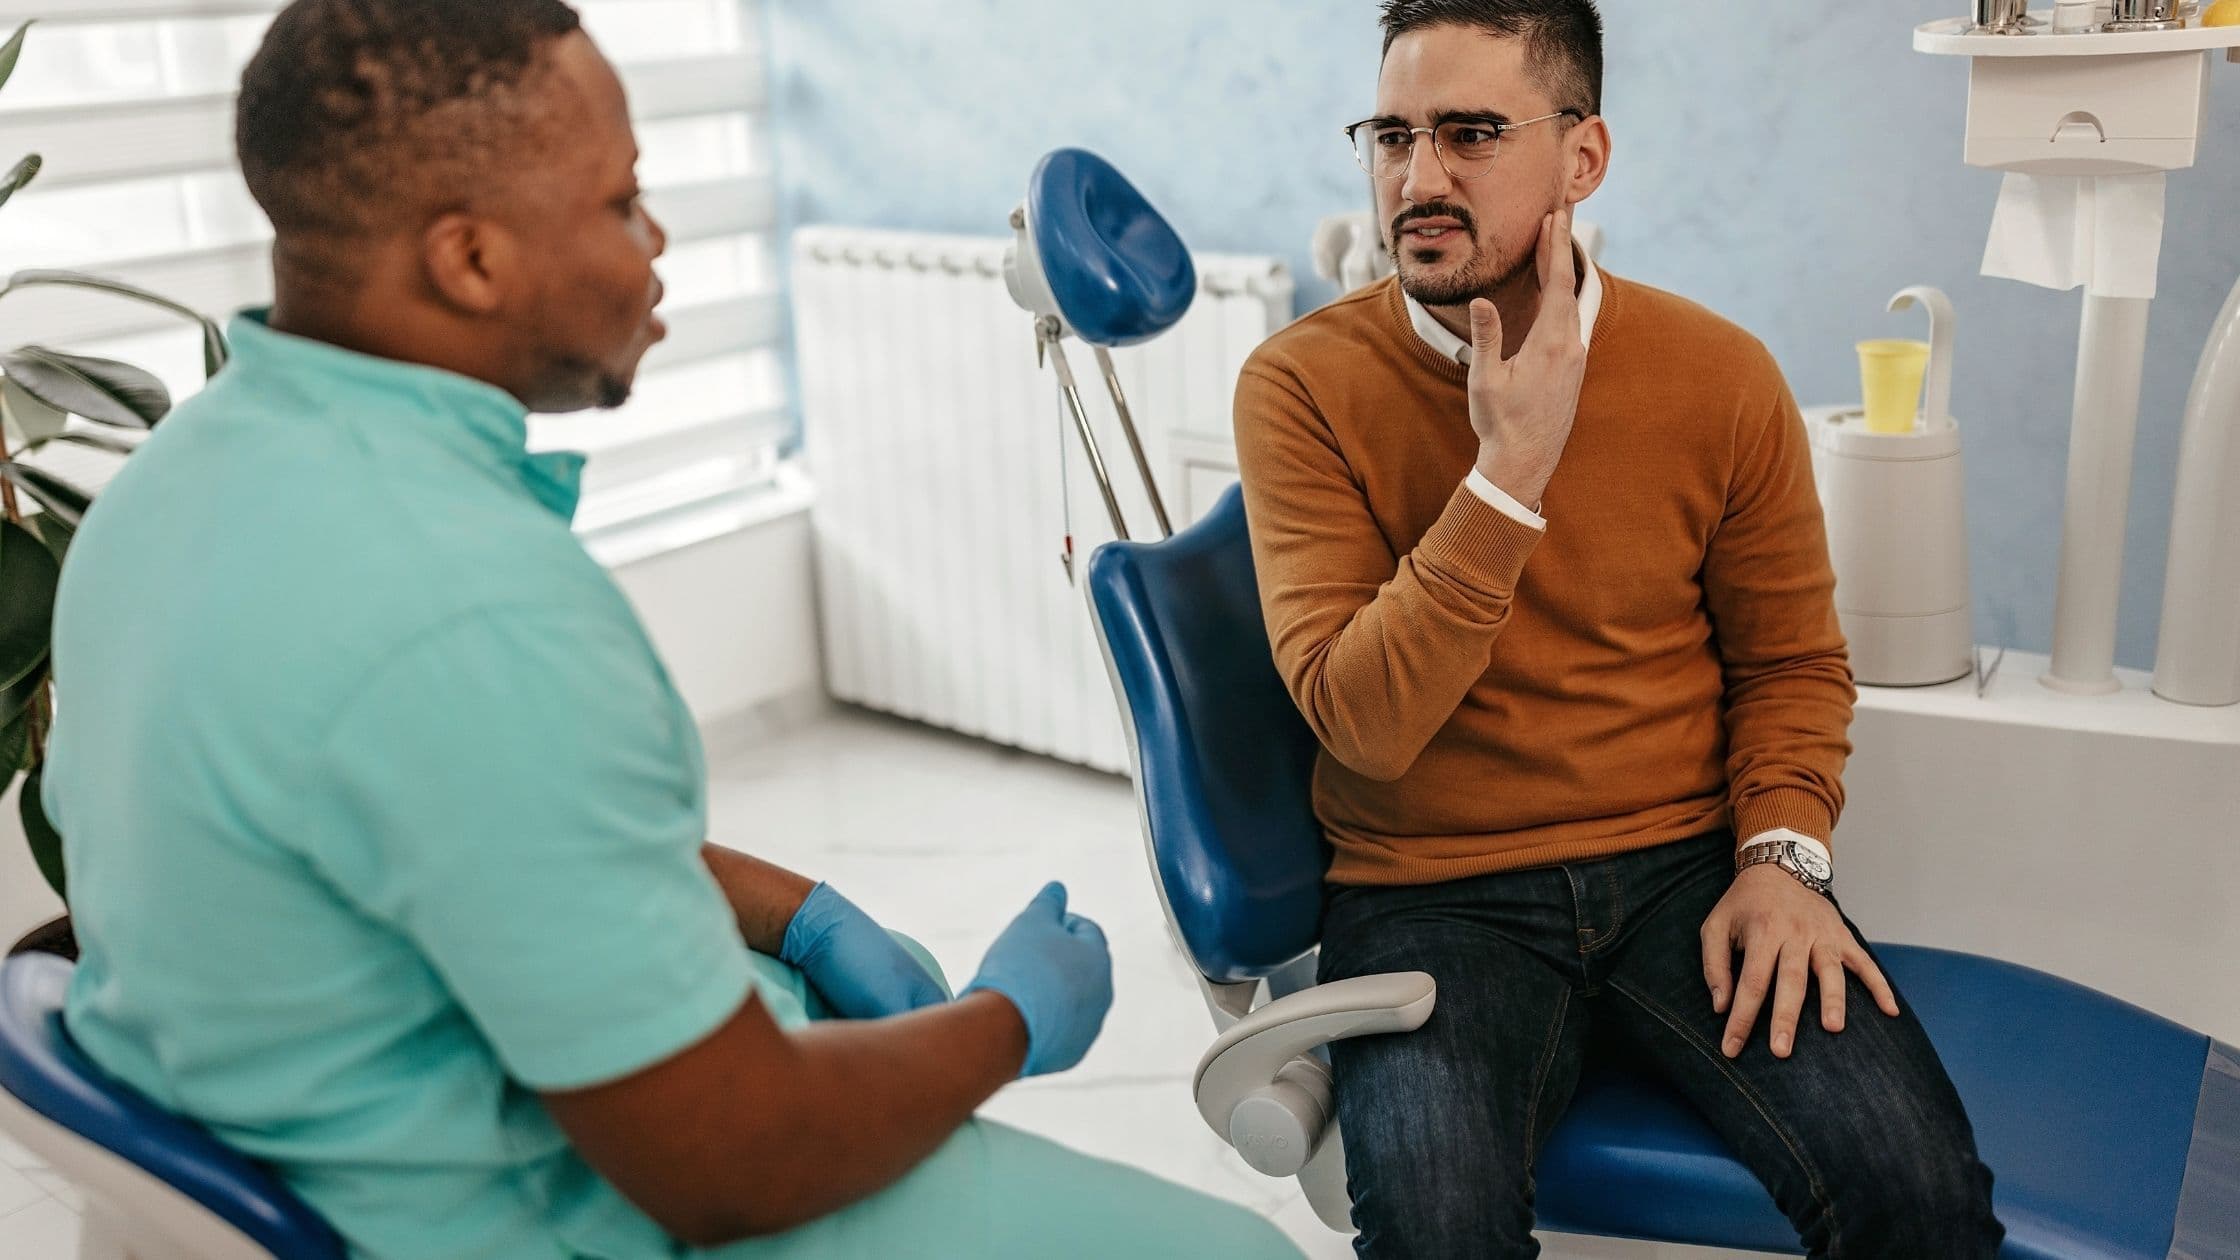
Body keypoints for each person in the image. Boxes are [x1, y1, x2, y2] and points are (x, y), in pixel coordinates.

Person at [42, 3, 1302, 1257]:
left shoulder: (164, 492)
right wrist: (1009, 1021)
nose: (655, 242)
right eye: (618, 202)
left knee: (877, 975)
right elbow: (731, 1162)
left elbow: (461, 825)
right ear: (468, 259)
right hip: (566, 1205)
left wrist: (799, 913)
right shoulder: (476, 613)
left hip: (350, 1091)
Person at [1232, 2, 2005, 1255]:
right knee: (1436, 1233)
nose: (1416, 179)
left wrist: (1782, 858)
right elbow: (1361, 725)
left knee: (1917, 1197)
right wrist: (1505, 476)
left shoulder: (1718, 374)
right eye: (1390, 135)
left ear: (1580, 157)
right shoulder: (1298, 389)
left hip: (1686, 870)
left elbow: (1790, 664)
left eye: (1469, 133)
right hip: (1430, 891)